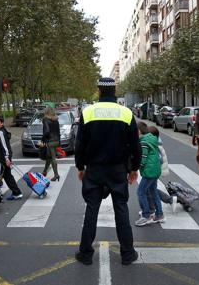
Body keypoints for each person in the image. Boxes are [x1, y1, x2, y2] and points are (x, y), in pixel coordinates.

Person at [74, 77, 141, 266]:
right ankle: (127, 254)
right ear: (114, 90)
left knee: (91, 210)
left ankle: (85, 253)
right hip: (118, 170)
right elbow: (136, 146)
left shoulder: (88, 112)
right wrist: (134, 168)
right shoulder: (126, 113)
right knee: (121, 210)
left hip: (94, 170)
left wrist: (80, 167)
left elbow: (80, 145)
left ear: (99, 91)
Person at [136, 123, 164, 226]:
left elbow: (142, 159)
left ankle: (146, 216)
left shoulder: (144, 142)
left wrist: (134, 169)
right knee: (153, 192)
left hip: (149, 171)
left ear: (139, 131)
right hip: (155, 169)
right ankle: (159, 215)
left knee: (140, 192)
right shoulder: (152, 139)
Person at [0, 115, 23, 200]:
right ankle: (17, 192)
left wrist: (7, 158)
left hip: (2, 159)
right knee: (7, 176)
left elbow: (4, 146)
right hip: (3, 158)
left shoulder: (0, 132)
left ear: (2, 123)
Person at [41, 107, 61, 181]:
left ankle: (56, 175)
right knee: (49, 157)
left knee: (52, 158)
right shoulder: (56, 120)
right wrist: (59, 143)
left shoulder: (45, 120)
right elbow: (58, 133)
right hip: (56, 141)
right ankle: (44, 171)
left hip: (50, 141)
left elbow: (47, 131)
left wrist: (43, 139)